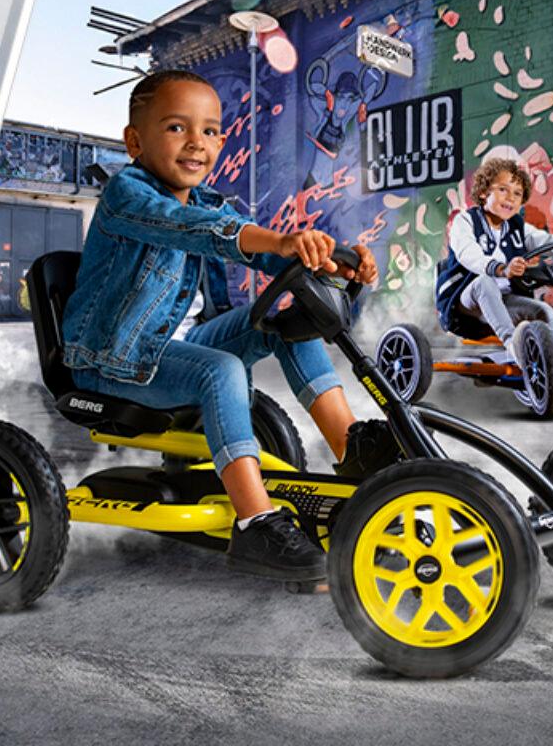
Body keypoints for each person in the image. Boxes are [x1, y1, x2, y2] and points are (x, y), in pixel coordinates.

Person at [61, 70, 395, 582]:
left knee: (289, 319)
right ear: (135, 141)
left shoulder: (207, 201)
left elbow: (264, 254)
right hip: (114, 360)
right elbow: (202, 233)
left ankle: (354, 453)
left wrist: (332, 263)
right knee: (219, 371)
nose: (198, 142)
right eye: (177, 128)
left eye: (211, 131)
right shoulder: (127, 195)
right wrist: (278, 242)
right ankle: (255, 522)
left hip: (173, 348)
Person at [434, 157, 553, 371]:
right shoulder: (466, 221)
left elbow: (541, 239)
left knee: (542, 310)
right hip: (463, 306)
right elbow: (468, 254)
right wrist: (500, 268)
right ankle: (515, 348)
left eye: (517, 193)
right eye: (503, 190)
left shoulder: (516, 226)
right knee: (485, 282)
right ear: (483, 193)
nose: (511, 198)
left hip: (503, 303)